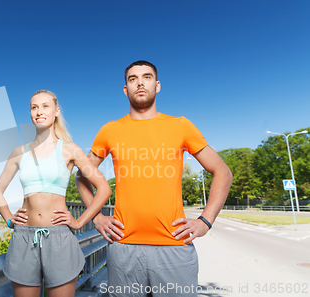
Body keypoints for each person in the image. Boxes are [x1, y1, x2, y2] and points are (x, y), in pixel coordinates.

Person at [76, 61, 233, 297]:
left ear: (157, 85)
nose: (140, 82)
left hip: (174, 247)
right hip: (124, 248)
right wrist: (96, 218)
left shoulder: (181, 125)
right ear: (125, 89)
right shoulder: (110, 130)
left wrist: (205, 221)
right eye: (132, 79)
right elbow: (82, 176)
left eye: (147, 77)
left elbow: (223, 171)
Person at [0, 90, 112, 297]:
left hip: (59, 238)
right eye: (34, 107)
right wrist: (10, 220)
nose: (39, 111)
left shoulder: (70, 150)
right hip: (23, 238)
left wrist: (79, 222)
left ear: (56, 111)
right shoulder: (19, 152)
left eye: (45, 106)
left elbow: (104, 188)